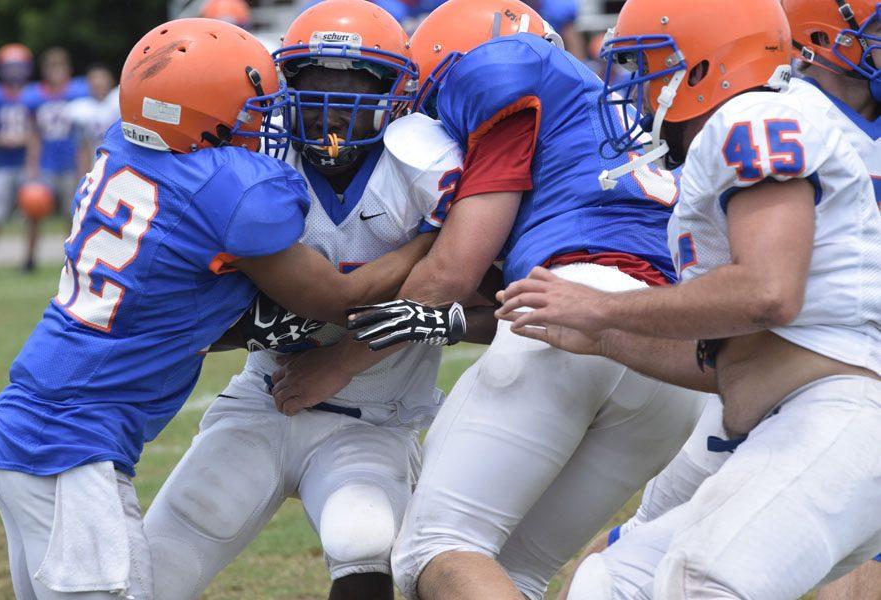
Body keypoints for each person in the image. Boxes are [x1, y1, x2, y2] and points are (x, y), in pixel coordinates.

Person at [0, 18, 433, 600]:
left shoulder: (121, 145)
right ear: (211, 110)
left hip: (23, 417)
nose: (261, 121)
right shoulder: (230, 186)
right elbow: (342, 299)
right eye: (250, 108)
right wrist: (433, 237)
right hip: (73, 443)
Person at [276, 2, 706, 599]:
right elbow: (484, 304)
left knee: (437, 551)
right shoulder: (597, 119)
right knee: (511, 573)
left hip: (572, 310)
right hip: (669, 355)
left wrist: (338, 364)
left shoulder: (498, 67)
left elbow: (451, 272)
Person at [496, 0, 881, 597]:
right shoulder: (741, 135)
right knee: (615, 581)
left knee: (707, 579)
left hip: (838, 414)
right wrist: (603, 337)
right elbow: (723, 359)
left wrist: (601, 307)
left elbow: (766, 292)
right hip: (776, 416)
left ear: (701, 68)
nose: (639, 91)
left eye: (647, 67)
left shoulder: (750, 118)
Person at [142, 3, 465, 599]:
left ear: (395, 92)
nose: (329, 106)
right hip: (262, 400)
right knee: (160, 557)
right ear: (284, 87)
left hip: (376, 418)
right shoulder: (261, 160)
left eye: (351, 84)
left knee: (360, 536)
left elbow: (481, 299)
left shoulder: (424, 165)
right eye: (313, 84)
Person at [22, 47, 90, 270]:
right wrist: (32, 167)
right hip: (46, 164)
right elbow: (34, 136)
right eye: (52, 68)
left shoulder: (78, 94)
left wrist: (84, 167)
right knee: (33, 211)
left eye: (60, 67)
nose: (56, 72)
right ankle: (29, 259)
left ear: (68, 70)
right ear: (45, 71)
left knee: (72, 214)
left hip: (70, 162)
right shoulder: (34, 96)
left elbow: (83, 137)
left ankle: (71, 258)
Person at [0, 44, 34, 275]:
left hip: (27, 164)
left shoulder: (33, 93)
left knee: (34, 212)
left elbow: (40, 129)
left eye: (19, 66)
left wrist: (26, 140)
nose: (15, 72)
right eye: (10, 67)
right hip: (0, 165)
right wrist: (5, 139)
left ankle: (29, 261)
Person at [69, 64, 120, 181]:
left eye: (102, 78)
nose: (98, 83)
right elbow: (83, 146)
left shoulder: (119, 99)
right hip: (95, 167)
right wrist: (82, 175)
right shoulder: (81, 108)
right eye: (94, 79)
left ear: (110, 80)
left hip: (120, 164)